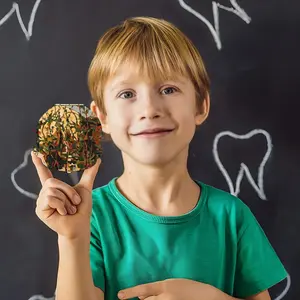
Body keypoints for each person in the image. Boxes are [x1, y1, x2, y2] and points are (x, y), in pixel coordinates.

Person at [32, 16, 288, 300]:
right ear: (102, 117)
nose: (150, 109)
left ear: (201, 105)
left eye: (168, 89)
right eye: (127, 93)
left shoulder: (231, 216)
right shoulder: (91, 216)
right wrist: (72, 239)